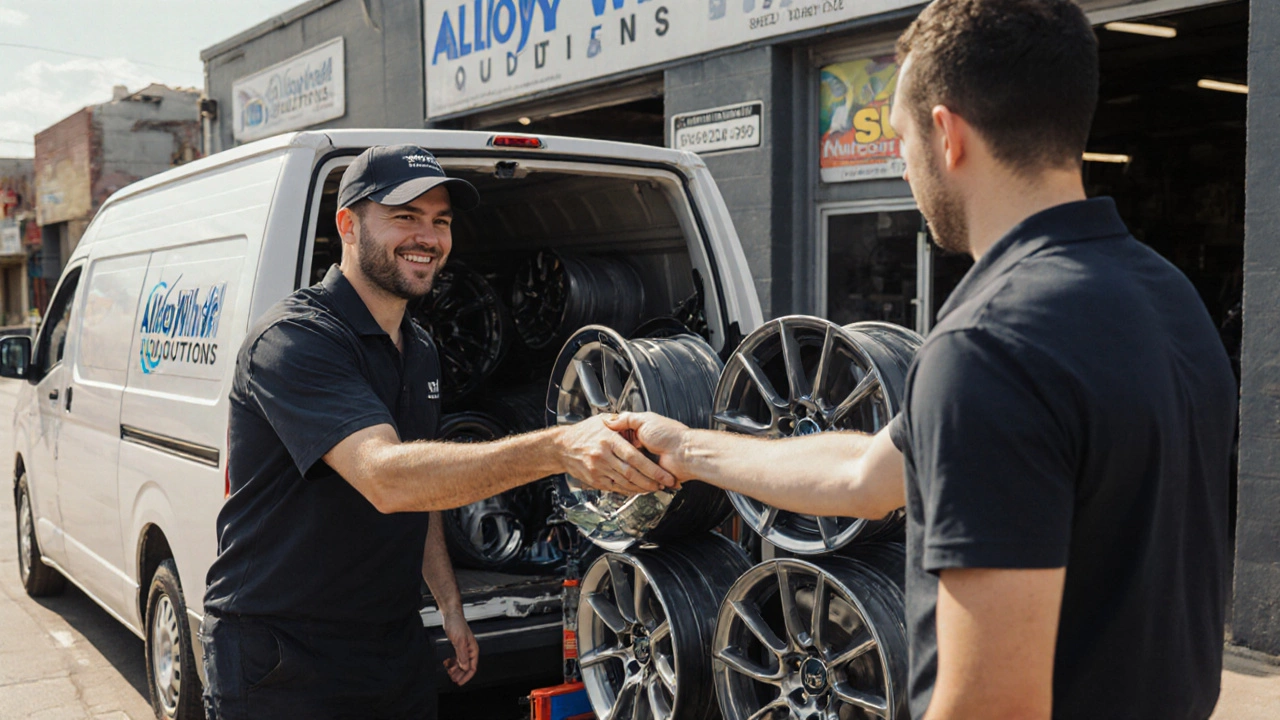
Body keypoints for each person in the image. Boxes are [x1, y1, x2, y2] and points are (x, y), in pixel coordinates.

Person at [607, 1, 1238, 718]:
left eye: (900, 139)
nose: (903, 167)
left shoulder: (991, 347)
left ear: (947, 134)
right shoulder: (1168, 297)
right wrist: (687, 448)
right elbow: (866, 477)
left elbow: (991, 705)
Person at [201, 144, 674, 720]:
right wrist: (558, 447)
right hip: (282, 652)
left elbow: (422, 491)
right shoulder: (295, 340)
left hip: (390, 643)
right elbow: (387, 478)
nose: (427, 236)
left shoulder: (419, 347)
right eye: (405, 216)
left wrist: (450, 605)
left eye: (440, 221)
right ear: (348, 225)